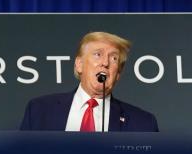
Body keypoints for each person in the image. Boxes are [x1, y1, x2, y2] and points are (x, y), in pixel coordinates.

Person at [19, 31, 159, 132]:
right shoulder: (40, 110)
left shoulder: (143, 123)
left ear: (118, 74)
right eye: (98, 54)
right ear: (79, 65)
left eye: (114, 58)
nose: (105, 63)